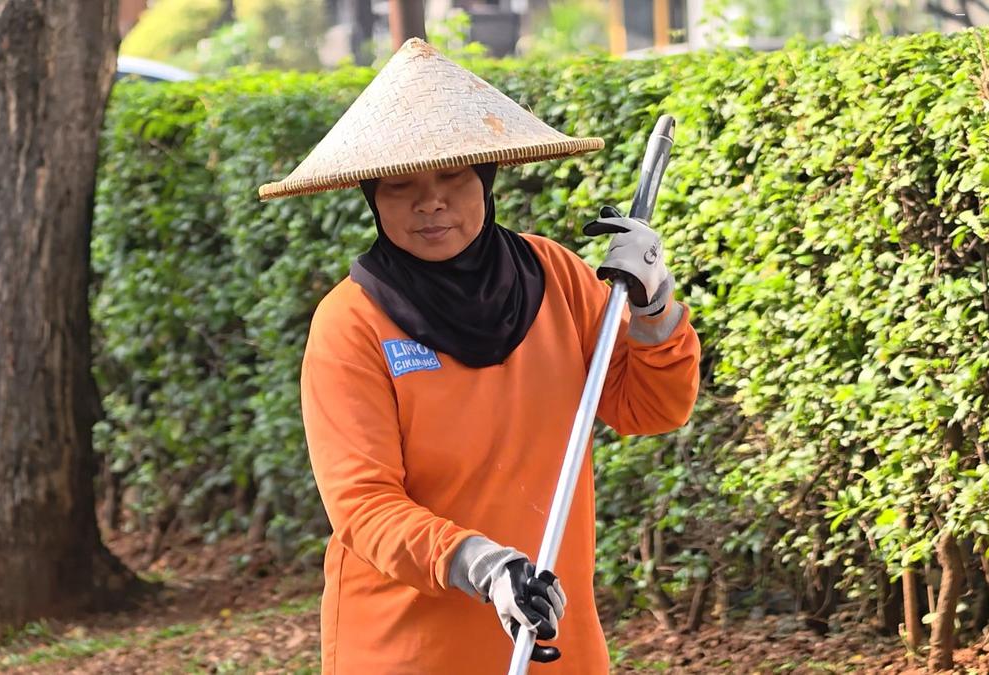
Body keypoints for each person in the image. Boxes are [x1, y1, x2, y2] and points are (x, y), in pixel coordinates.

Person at [259, 38, 701, 675]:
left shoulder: (557, 275)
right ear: (372, 199)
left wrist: (653, 303)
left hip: (547, 629)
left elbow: (650, 411)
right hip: (406, 643)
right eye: (400, 184)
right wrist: (486, 565)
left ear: (486, 179)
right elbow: (362, 505)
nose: (429, 202)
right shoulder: (351, 322)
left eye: (453, 177)